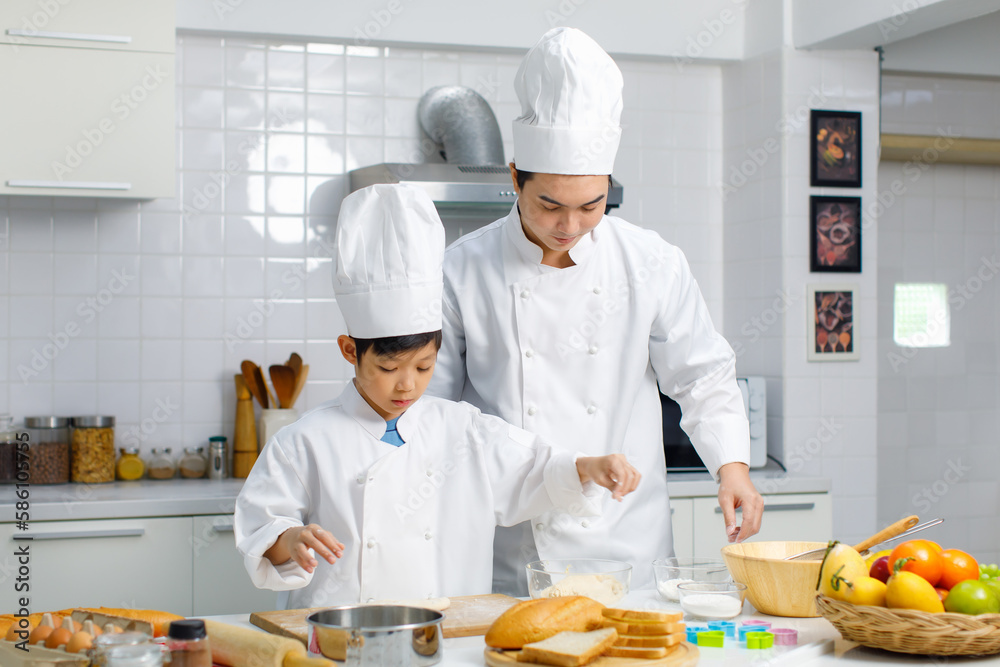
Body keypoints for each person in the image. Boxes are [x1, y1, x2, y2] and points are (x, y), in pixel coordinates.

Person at [426, 27, 763, 595]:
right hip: (512, 546)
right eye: (549, 205)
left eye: (592, 206)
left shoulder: (652, 261)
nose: (569, 225)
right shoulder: (461, 270)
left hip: (628, 538)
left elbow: (702, 374)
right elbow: (432, 411)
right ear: (515, 177)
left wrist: (733, 468)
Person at [233, 183, 641, 608]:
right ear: (351, 351)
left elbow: (535, 470)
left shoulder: (462, 430)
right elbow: (262, 529)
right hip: (343, 640)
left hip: (450, 638)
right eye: (389, 369)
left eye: (424, 366)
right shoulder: (305, 440)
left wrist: (590, 466)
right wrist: (292, 539)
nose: (407, 384)